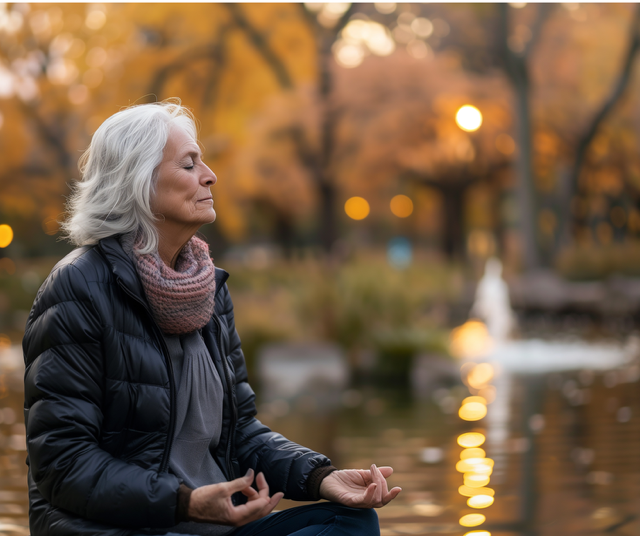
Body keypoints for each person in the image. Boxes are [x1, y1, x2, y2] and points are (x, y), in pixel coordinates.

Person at [22, 99, 401, 536]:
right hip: (127, 529)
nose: (209, 175)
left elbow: (240, 433)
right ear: (137, 182)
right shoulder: (77, 288)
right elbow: (63, 465)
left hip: (216, 526)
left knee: (350, 520)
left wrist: (319, 477)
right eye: (189, 165)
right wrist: (185, 503)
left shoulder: (206, 289)